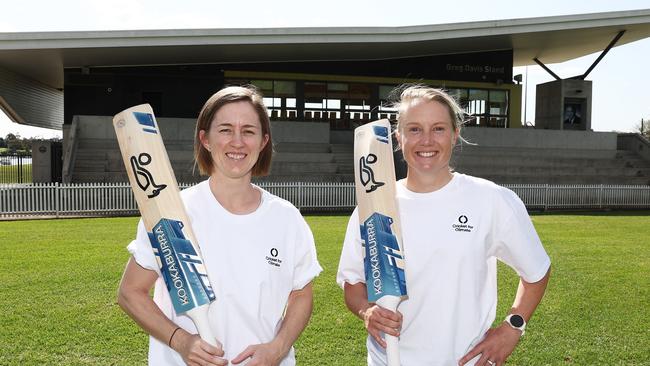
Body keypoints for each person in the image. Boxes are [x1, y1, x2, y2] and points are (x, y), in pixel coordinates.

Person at [337, 85, 551, 366]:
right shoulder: (374, 205)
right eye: (414, 129)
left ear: (454, 134)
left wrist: (512, 327)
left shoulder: (490, 200)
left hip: (464, 360)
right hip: (388, 360)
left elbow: (537, 271)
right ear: (398, 138)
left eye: (438, 128)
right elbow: (353, 282)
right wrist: (367, 311)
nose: (426, 141)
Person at [118, 86, 322, 366]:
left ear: (263, 141)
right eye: (225, 130)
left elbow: (301, 295)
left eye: (248, 131)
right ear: (205, 139)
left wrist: (278, 347)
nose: (237, 142)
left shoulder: (287, 219)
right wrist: (181, 341)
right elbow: (130, 292)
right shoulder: (171, 213)